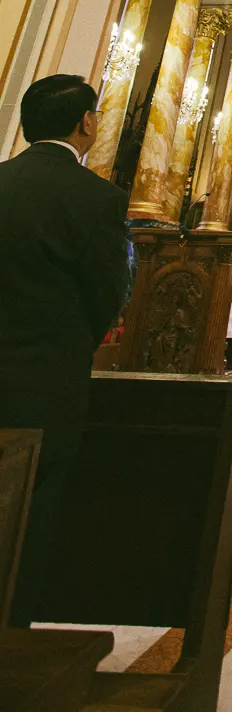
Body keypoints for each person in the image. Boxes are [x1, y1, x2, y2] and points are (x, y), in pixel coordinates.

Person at [0, 75, 129, 625]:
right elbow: (107, 293)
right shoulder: (95, 197)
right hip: (47, 384)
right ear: (87, 123)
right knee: (32, 520)